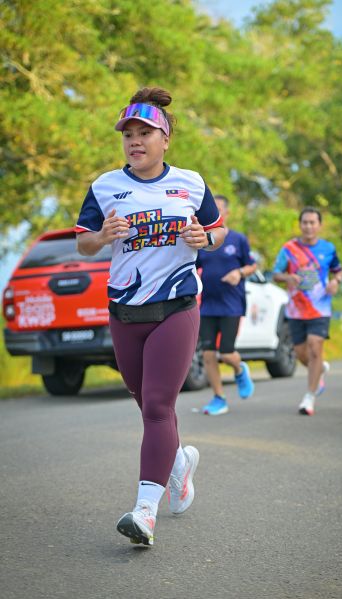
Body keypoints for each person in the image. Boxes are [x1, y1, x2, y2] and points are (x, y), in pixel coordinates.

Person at [75, 87, 225, 545]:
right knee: (147, 405)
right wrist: (102, 236)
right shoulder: (105, 186)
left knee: (159, 406)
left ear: (165, 139)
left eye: (144, 133)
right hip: (125, 311)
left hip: (177, 306)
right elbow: (83, 243)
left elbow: (218, 230)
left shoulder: (191, 183)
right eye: (129, 135)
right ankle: (178, 463)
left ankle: (145, 511)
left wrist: (205, 239)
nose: (135, 142)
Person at [272, 207, 342, 416]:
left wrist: (335, 282)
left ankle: (309, 397)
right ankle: (319, 368)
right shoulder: (289, 248)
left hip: (320, 307)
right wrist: (288, 277)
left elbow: (338, 271)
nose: (308, 226)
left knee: (315, 346)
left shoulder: (328, 248)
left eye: (313, 222)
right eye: (305, 222)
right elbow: (275, 274)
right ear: (300, 224)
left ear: (319, 225)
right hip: (296, 309)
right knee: (302, 354)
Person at [197, 195, 257, 415]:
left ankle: (239, 369)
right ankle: (219, 398)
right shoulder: (202, 242)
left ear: (227, 213)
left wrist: (238, 273)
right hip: (208, 304)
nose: (215, 212)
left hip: (231, 304)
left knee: (226, 353)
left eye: (219, 209)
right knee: (208, 354)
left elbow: (252, 266)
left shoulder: (238, 239)